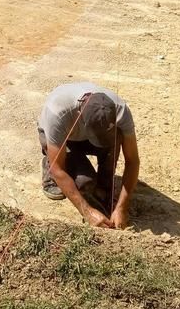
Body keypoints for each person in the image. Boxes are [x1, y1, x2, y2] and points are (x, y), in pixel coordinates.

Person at [37, 82, 140, 229]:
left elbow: (133, 160)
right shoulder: (58, 113)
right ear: (80, 115)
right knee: (84, 182)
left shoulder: (121, 110)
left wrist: (122, 207)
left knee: (117, 138)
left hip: (83, 134)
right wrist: (87, 212)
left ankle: (104, 187)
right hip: (64, 139)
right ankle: (48, 163)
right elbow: (58, 169)